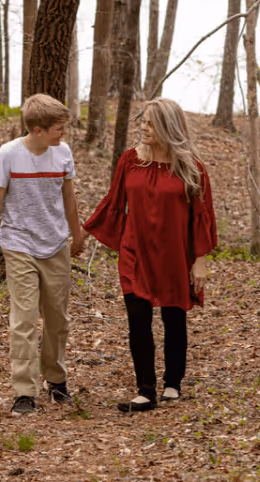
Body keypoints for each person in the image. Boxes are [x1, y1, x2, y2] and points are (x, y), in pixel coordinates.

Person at [83, 98, 217, 413]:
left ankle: (173, 382)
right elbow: (114, 202)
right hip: (136, 252)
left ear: (169, 128)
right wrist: (87, 235)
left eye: (152, 123)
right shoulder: (129, 161)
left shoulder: (192, 168)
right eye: (143, 122)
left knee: (174, 318)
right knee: (138, 319)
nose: (144, 128)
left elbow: (202, 216)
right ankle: (145, 389)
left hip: (173, 255)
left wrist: (199, 262)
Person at [0, 93, 86, 416]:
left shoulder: (62, 153)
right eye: (58, 128)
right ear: (38, 130)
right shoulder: (9, 154)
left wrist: (76, 232)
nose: (63, 134)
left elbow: (68, 195)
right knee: (24, 319)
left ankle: (56, 381)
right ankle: (24, 391)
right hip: (18, 244)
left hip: (55, 245)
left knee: (57, 318)